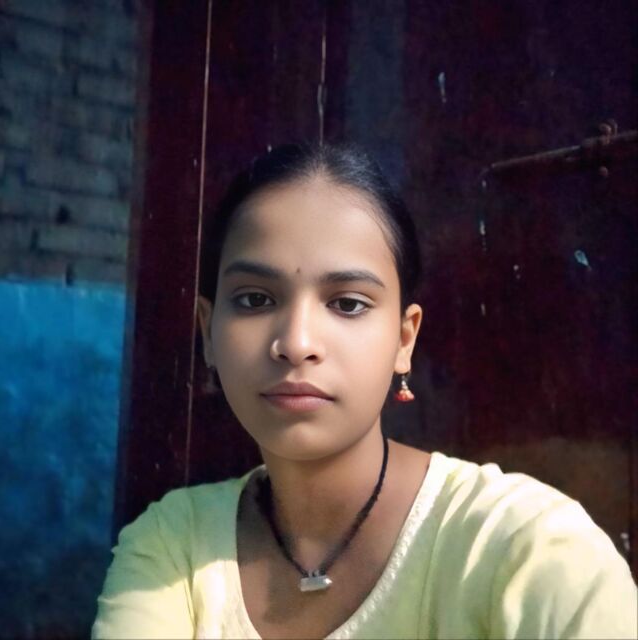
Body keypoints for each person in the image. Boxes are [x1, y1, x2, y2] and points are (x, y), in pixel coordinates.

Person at [92, 143, 637, 639]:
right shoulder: (174, 547)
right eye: (255, 300)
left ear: (404, 339)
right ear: (208, 332)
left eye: (348, 303)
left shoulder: (524, 546)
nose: (296, 343)